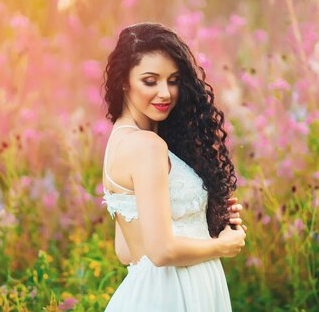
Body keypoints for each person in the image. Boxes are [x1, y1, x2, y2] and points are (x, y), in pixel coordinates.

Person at [101, 22, 247, 312]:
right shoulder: (147, 147)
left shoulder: (119, 142)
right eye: (150, 81)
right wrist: (223, 246)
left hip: (156, 291)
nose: (165, 93)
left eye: (173, 80)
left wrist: (206, 221)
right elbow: (162, 251)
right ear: (124, 81)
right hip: (174, 294)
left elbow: (126, 251)